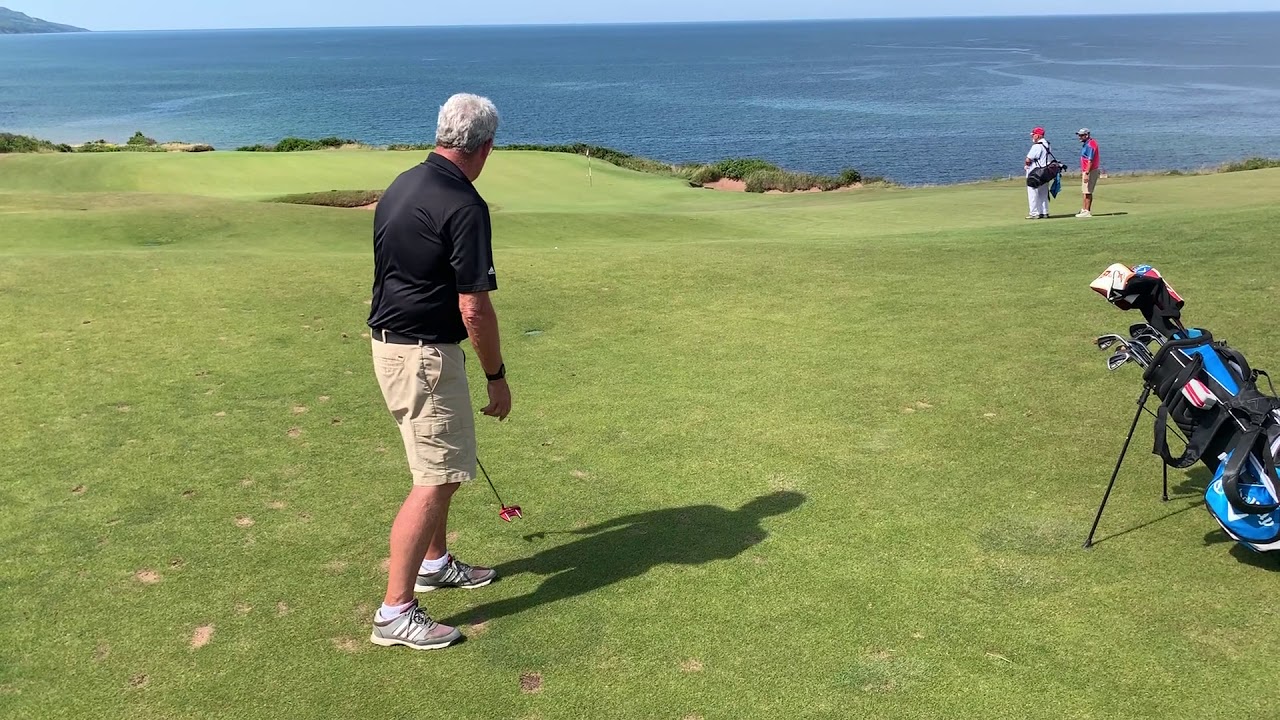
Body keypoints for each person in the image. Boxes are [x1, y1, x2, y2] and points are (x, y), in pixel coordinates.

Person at [365, 93, 512, 650]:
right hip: (423, 355)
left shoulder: (404, 182)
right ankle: (394, 613)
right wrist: (496, 376)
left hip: (396, 347)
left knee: (443, 468)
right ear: (485, 147)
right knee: (434, 479)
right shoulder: (466, 205)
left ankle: (436, 562)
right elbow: (474, 306)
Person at [1024, 127, 1053, 219]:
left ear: (1038, 135)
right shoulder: (1047, 144)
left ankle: (1034, 213)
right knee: (1043, 193)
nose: (1032, 137)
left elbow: (1028, 159)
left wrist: (1027, 165)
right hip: (1046, 172)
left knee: (1033, 193)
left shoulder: (1036, 146)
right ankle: (1044, 212)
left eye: (1033, 135)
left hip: (1035, 173)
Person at [1076, 128, 1101, 218]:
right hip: (1087, 170)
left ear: (1087, 135)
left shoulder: (1091, 144)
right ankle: (1084, 209)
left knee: (1088, 191)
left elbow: (1090, 160)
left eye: (1081, 135)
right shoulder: (1087, 144)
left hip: (1090, 170)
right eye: (1079, 135)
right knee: (1085, 191)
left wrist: (1087, 173)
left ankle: (1087, 211)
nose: (1079, 137)